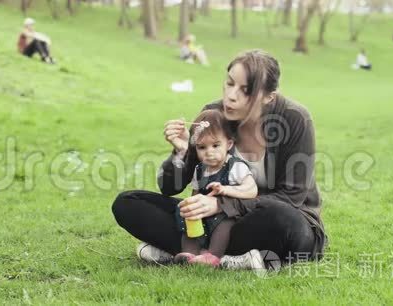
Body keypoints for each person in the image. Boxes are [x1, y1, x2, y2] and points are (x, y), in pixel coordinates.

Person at [112, 50, 327, 271]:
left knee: (284, 220)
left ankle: (181, 251)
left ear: (268, 97)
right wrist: (181, 152)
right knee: (128, 203)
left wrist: (220, 204)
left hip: (273, 220)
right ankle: (227, 257)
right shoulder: (213, 115)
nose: (231, 95)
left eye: (246, 90)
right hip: (212, 224)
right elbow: (169, 187)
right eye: (230, 83)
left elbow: (290, 198)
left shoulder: (295, 119)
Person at [173, 109, 258, 267]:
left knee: (224, 223)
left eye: (215, 145)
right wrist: (191, 205)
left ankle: (213, 255)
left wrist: (226, 190)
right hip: (205, 213)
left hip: (229, 214)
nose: (209, 152)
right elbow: (196, 192)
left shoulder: (235, 167)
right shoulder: (200, 169)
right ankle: (190, 254)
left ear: (229, 144)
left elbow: (252, 190)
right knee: (190, 217)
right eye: (202, 147)